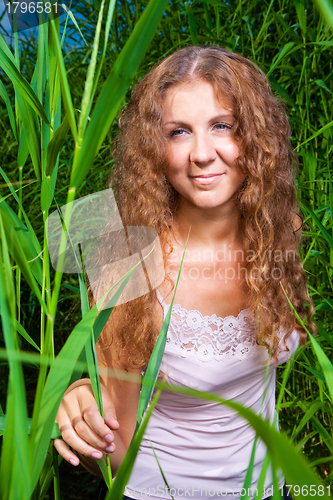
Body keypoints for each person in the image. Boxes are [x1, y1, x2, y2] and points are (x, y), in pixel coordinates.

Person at [54, 46, 315, 500]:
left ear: (255, 135)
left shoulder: (278, 225)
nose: (201, 153)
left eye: (222, 126)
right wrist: (81, 401)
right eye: (178, 132)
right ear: (154, 149)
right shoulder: (123, 252)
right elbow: (113, 446)